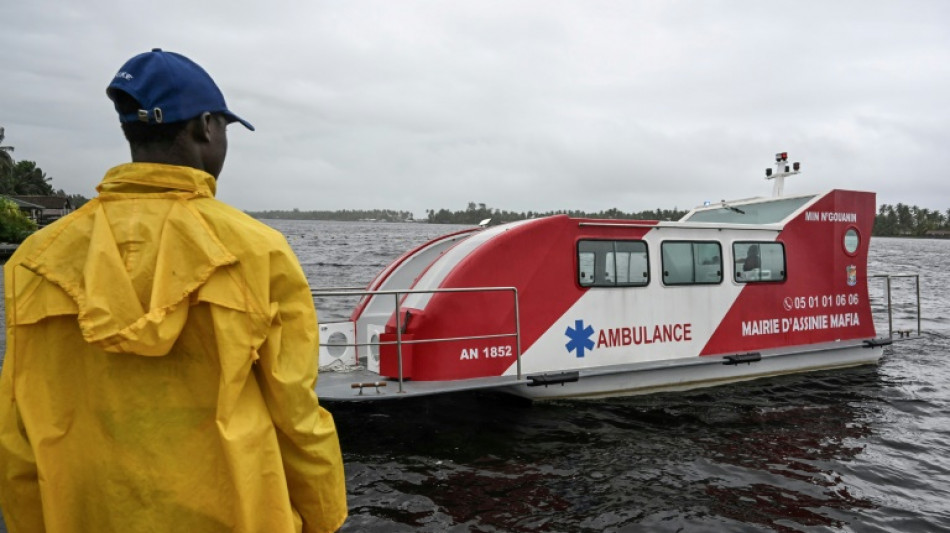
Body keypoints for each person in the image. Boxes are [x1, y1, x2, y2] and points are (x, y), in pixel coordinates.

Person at [0, 49, 347, 532]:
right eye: (225, 127)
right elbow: (297, 415)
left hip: (88, 512)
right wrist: (324, 518)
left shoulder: (34, 259)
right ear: (206, 126)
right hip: (240, 513)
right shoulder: (259, 251)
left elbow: (17, 426)